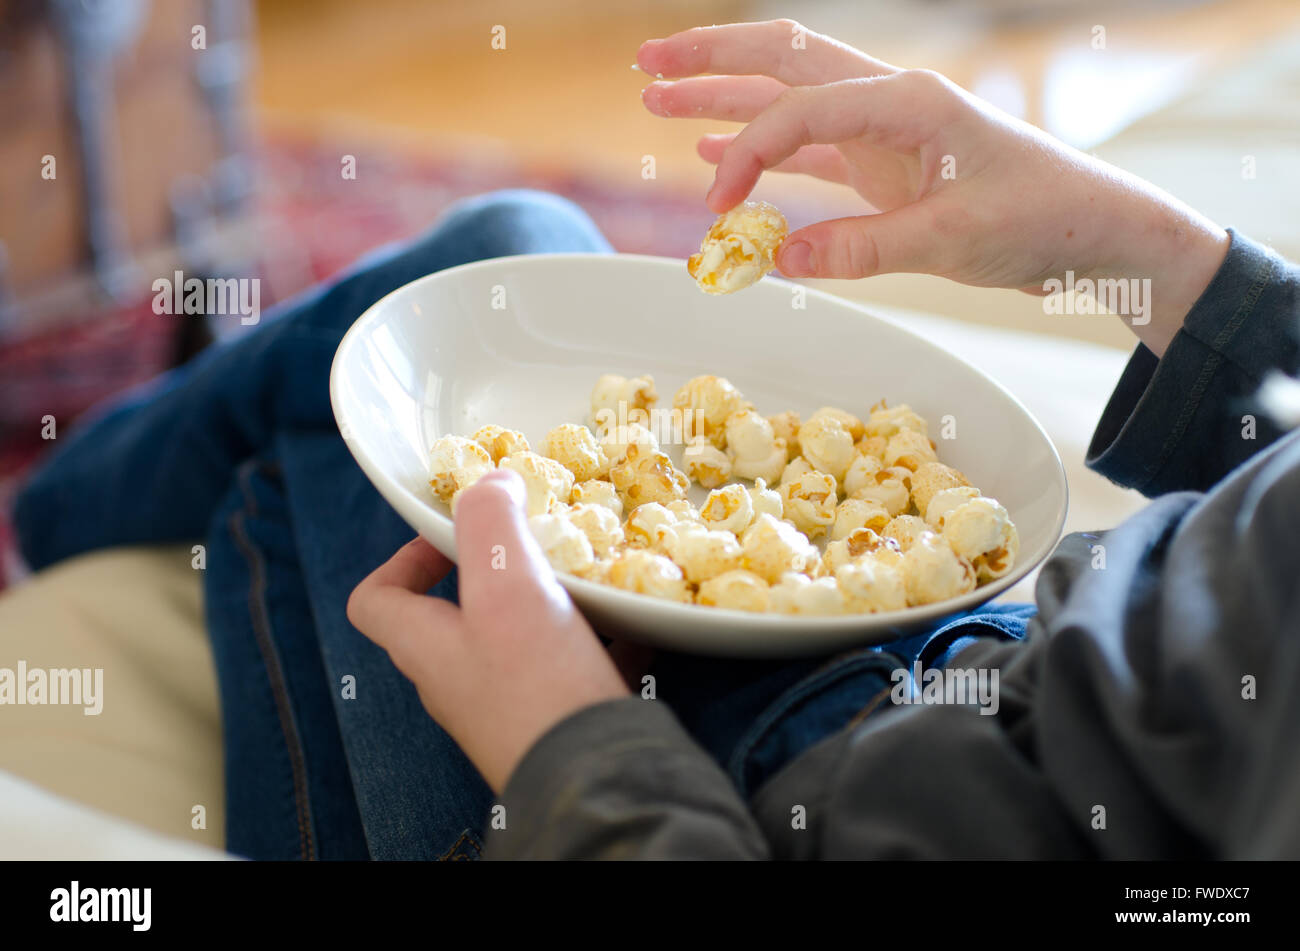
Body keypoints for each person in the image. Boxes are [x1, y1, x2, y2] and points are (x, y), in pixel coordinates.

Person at [15, 21, 1300, 859]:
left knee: (423, 332)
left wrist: (566, 747)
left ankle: (62, 516)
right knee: (490, 272)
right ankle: (92, 509)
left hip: (699, 811)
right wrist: (1157, 262)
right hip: (952, 681)